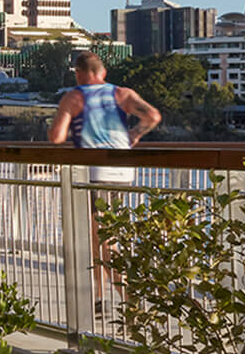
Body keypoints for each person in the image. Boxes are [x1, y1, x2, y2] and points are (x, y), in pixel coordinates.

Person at [48, 51, 162, 312]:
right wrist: (134, 133)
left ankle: (127, 296)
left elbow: (56, 137)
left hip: (93, 174)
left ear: (78, 73)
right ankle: (99, 298)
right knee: (102, 237)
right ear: (103, 73)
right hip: (122, 173)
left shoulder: (74, 96)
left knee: (102, 240)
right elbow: (153, 116)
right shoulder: (122, 94)